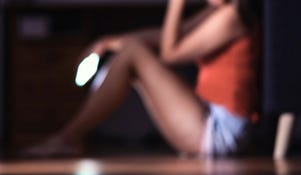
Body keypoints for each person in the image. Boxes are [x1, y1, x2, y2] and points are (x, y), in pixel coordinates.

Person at [26, 0, 261, 158]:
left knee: (133, 54)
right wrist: (107, 42)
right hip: (209, 117)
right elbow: (165, 37)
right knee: (132, 55)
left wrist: (175, 4)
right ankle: (70, 136)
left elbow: (171, 53)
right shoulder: (219, 13)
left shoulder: (233, 16)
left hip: (221, 133)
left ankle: (69, 137)